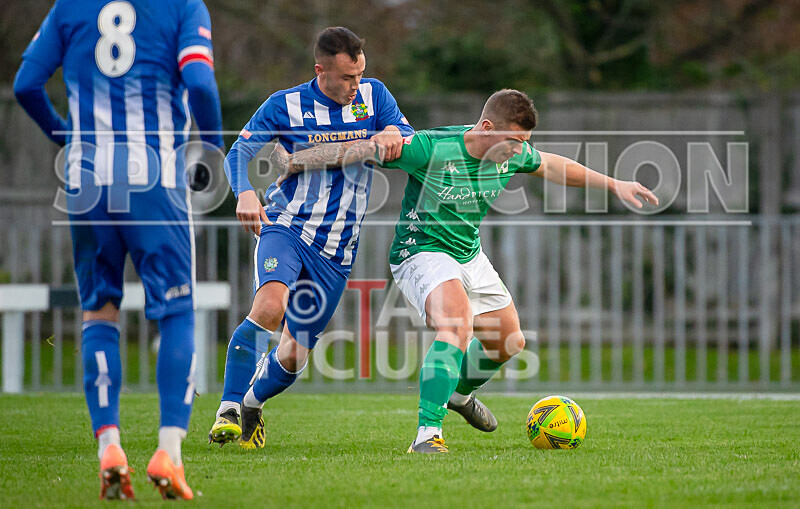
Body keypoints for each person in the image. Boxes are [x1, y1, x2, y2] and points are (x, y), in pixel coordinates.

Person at [270, 89, 658, 453]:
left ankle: (457, 394)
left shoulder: (514, 153)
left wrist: (614, 184)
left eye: (524, 142)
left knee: (509, 343)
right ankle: (428, 434)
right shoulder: (431, 148)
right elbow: (359, 150)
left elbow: (554, 165)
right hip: (420, 252)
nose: (520, 151)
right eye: (514, 142)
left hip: (468, 254)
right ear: (487, 128)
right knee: (456, 326)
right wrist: (293, 161)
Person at [14, 0, 223, 498]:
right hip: (151, 173)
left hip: (86, 179)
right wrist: (209, 151)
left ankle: (109, 442)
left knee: (99, 313)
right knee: (176, 311)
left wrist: (67, 137)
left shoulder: (71, 6)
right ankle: (168, 452)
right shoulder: (182, 6)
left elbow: (26, 86)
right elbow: (199, 83)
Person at [211, 26, 413, 449]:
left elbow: (402, 136)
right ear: (320, 70)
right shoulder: (284, 104)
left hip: (337, 250)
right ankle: (228, 409)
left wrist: (395, 134)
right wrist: (245, 192)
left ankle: (251, 404)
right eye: (346, 78)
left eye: (360, 75)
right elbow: (239, 152)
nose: (355, 86)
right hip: (286, 225)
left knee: (293, 355)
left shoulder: (375, 96)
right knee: (269, 305)